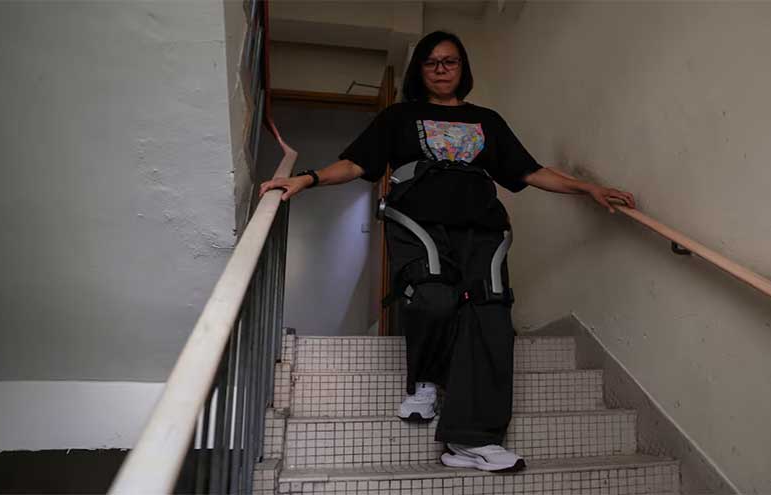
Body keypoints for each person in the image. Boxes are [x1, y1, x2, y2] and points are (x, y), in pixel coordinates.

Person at [259, 31, 636, 474]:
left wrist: (586, 188)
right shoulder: (399, 116)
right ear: (419, 70)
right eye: (432, 62)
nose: (441, 69)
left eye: (450, 61)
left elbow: (529, 171)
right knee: (434, 298)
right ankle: (424, 379)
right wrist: (307, 179)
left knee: (489, 318)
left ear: (463, 68)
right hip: (417, 221)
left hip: (483, 228)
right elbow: (357, 163)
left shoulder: (487, 120)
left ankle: (472, 441)